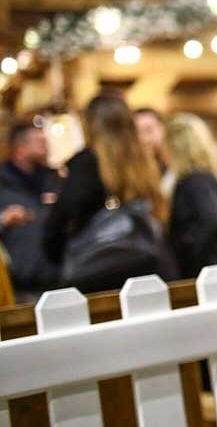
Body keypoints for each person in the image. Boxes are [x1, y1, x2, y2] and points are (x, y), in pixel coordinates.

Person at [43, 93, 173, 290]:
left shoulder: (87, 163)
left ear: (90, 124)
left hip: (99, 273)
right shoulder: (144, 161)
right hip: (148, 270)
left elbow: (60, 221)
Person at [0, 121, 61, 298]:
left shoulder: (54, 179)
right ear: (20, 148)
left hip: (60, 273)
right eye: (39, 141)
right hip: (22, 281)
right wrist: (4, 219)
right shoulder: (3, 184)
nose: (46, 145)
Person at [165, 113, 217, 279]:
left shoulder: (194, 180)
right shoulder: (202, 177)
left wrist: (191, 256)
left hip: (203, 272)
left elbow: (214, 219)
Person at [134, 107, 175, 196]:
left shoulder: (179, 167)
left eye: (148, 130)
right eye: (137, 132)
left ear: (163, 128)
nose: (143, 139)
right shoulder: (134, 172)